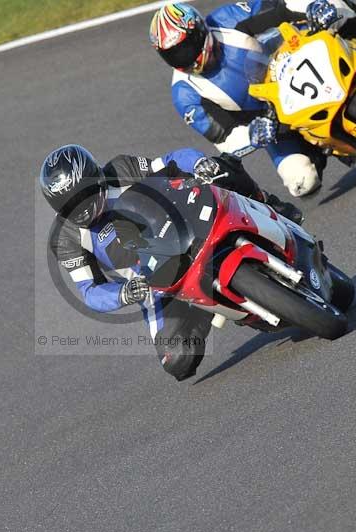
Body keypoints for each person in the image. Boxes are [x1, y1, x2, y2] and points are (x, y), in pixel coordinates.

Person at [40, 144, 298, 381]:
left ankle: (266, 204)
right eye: (70, 205)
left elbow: (173, 161)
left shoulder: (121, 169)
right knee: (177, 361)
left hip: (187, 231)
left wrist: (198, 164)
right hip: (154, 284)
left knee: (221, 166)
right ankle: (215, 306)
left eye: (83, 195)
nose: (81, 208)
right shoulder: (65, 238)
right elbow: (90, 292)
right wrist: (124, 294)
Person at [149, 0, 356, 197]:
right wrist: (254, 135)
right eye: (173, 55)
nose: (185, 59)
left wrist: (313, 7)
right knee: (301, 183)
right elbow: (224, 138)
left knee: (334, 6)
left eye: (185, 48)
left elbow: (280, 6)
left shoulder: (226, 20)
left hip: (294, 67)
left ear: (198, 31)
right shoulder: (185, 94)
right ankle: (322, 145)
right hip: (274, 121)